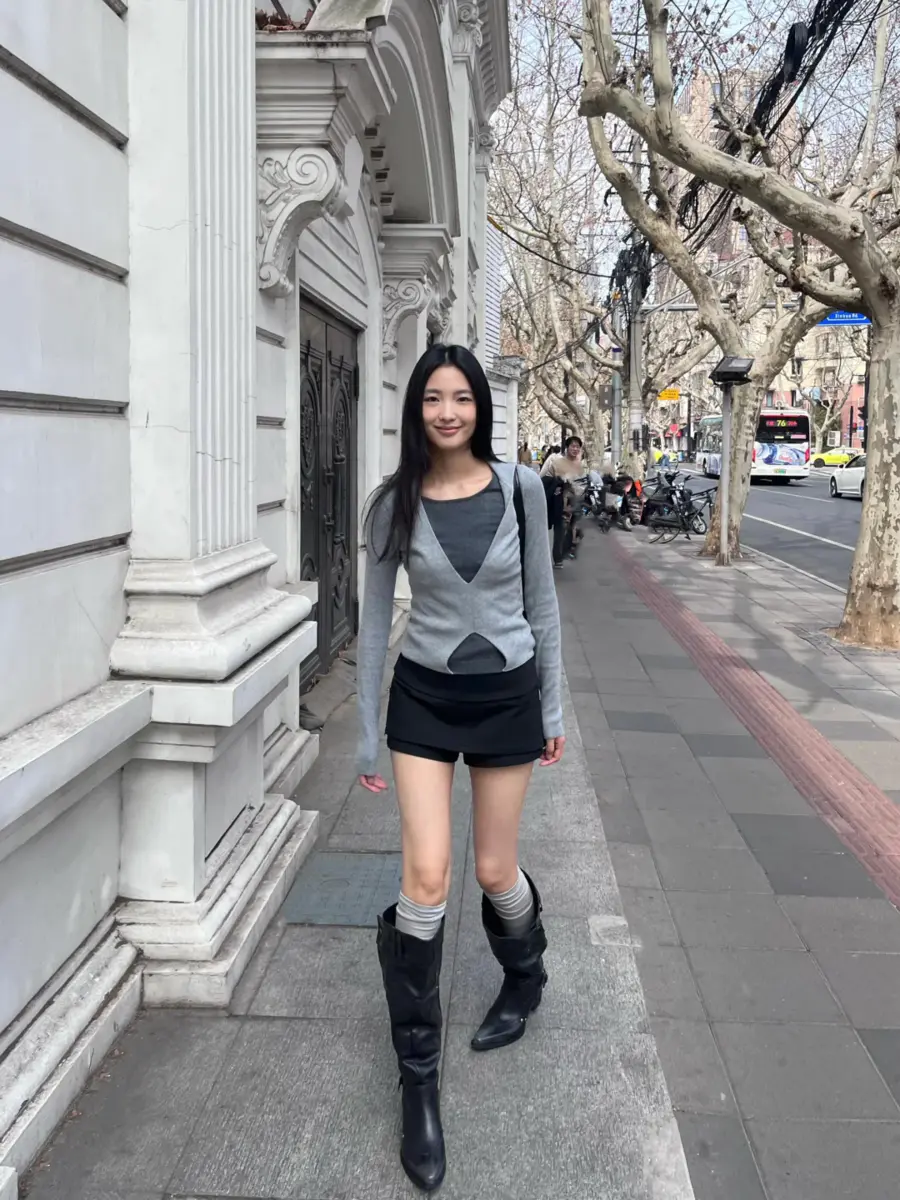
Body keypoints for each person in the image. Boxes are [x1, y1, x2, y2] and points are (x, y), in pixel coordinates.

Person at [357, 344, 564, 1193]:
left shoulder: (521, 489)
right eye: (433, 399)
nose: (448, 412)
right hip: (424, 701)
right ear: (416, 410)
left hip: (508, 697)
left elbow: (543, 605)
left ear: (481, 407)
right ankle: (419, 1083)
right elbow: (374, 622)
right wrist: (365, 734)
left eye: (462, 398)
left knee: (493, 869)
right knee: (427, 876)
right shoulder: (392, 502)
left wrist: (553, 712)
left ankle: (525, 975)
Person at [540, 435, 585, 568]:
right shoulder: (556, 461)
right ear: (567, 447)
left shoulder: (580, 465)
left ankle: (561, 555)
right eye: (573, 446)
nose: (575, 449)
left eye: (577, 447)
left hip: (573, 501)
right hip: (558, 499)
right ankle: (555, 557)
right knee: (557, 527)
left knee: (568, 529)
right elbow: (544, 477)